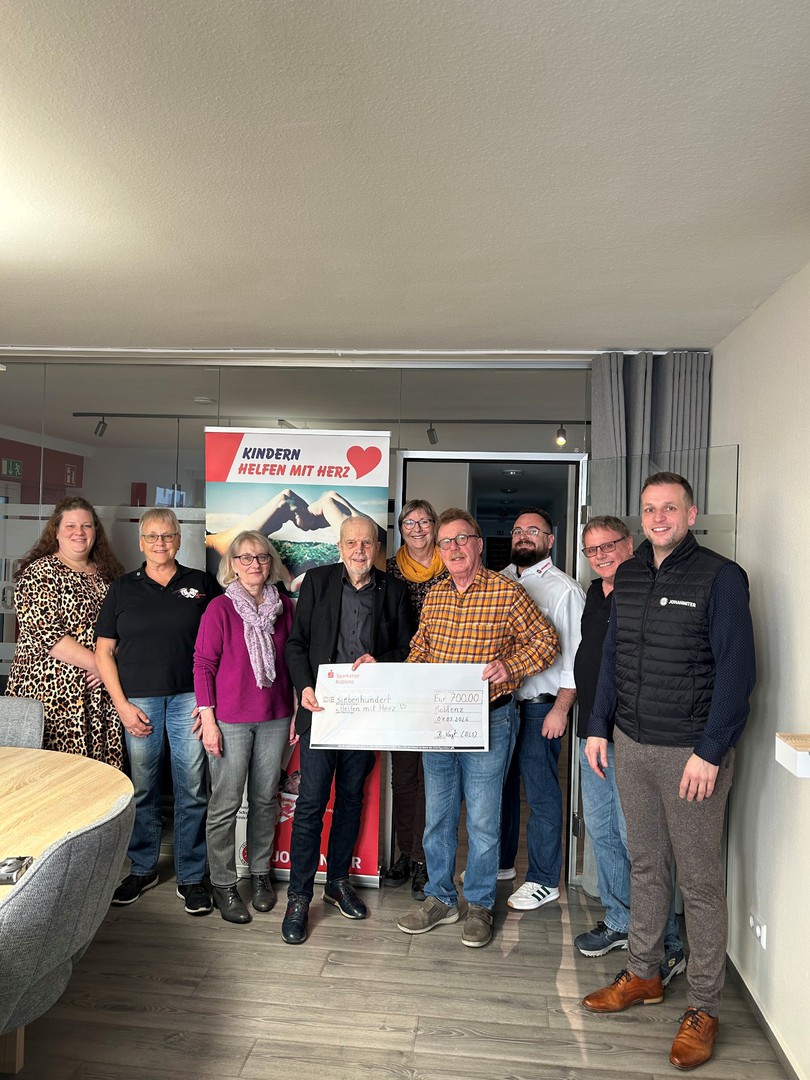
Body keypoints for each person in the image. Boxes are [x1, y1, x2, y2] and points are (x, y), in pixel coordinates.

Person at [580, 474, 756, 1073]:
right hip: (631, 744)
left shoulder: (720, 577)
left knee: (700, 883)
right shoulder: (628, 575)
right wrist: (598, 726)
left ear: (691, 513)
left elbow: (737, 672)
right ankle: (644, 973)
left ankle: (704, 1006)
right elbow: (613, 657)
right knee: (647, 865)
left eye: (670, 508)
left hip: (691, 755)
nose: (659, 518)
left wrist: (711, 751)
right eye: (650, 509)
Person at [396, 508, 559, 949]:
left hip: (491, 718)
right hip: (439, 721)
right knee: (438, 818)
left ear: (479, 544)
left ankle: (481, 904)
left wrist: (511, 666)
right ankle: (440, 898)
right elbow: (421, 649)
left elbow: (547, 642)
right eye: (445, 542)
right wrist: (396, 677)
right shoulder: (436, 596)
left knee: (485, 820)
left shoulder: (507, 592)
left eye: (462, 539)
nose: (454, 548)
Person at [281, 515, 414, 944]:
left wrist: (383, 661)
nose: (359, 550)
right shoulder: (317, 583)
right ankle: (299, 897)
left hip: (366, 714)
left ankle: (338, 882)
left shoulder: (394, 591)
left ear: (377, 548)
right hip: (321, 709)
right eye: (351, 543)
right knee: (311, 803)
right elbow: (296, 644)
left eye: (367, 543)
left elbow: (408, 647)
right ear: (339, 547)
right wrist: (303, 686)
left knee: (352, 800)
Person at [573, 515, 685, 983]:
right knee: (602, 833)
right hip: (592, 733)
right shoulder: (594, 595)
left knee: (639, 842)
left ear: (630, 542)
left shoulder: (643, 590)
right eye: (592, 550)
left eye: (609, 546)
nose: (601, 556)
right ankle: (621, 921)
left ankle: (666, 942)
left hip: (631, 736)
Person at [95, 508, 221, 916]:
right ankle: (143, 868)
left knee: (192, 788)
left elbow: (223, 641)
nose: (160, 543)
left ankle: (191, 875)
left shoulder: (202, 584)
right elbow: (103, 651)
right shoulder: (122, 588)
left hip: (189, 698)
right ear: (141, 542)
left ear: (179, 540)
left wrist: (209, 704)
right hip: (139, 703)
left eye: (167, 535)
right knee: (143, 788)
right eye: (152, 536)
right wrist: (121, 705)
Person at [194, 531, 295, 924]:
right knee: (225, 804)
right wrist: (208, 720)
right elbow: (203, 665)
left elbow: (294, 661)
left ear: (270, 563)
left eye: (262, 557)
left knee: (266, 800)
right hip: (230, 721)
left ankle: (260, 874)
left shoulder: (284, 608)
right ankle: (223, 883)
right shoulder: (219, 609)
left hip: (275, 716)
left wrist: (295, 712)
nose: (255, 564)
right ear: (233, 565)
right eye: (246, 558)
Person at [499, 507, 585, 912]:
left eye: (533, 531)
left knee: (541, 794)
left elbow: (575, 659)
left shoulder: (565, 590)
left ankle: (543, 880)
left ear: (550, 540)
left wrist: (561, 710)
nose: (523, 536)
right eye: (518, 530)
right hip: (502, 707)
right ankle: (501, 864)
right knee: (500, 789)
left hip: (540, 709)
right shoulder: (498, 581)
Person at [5, 497, 125, 767]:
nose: (79, 532)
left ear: (96, 531)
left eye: (86, 525)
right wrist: (103, 665)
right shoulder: (40, 573)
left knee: (99, 775)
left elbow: (126, 627)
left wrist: (108, 663)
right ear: (56, 532)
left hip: (99, 693)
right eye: (70, 525)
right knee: (54, 773)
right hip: (52, 692)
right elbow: (47, 635)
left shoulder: (108, 575)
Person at [383, 498, 448, 900]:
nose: (418, 529)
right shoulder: (388, 571)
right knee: (403, 775)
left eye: (425, 521)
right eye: (410, 522)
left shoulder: (452, 565)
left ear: (435, 526)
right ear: (401, 528)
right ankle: (405, 853)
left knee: (432, 778)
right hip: (401, 682)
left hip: (441, 683)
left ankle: (427, 860)